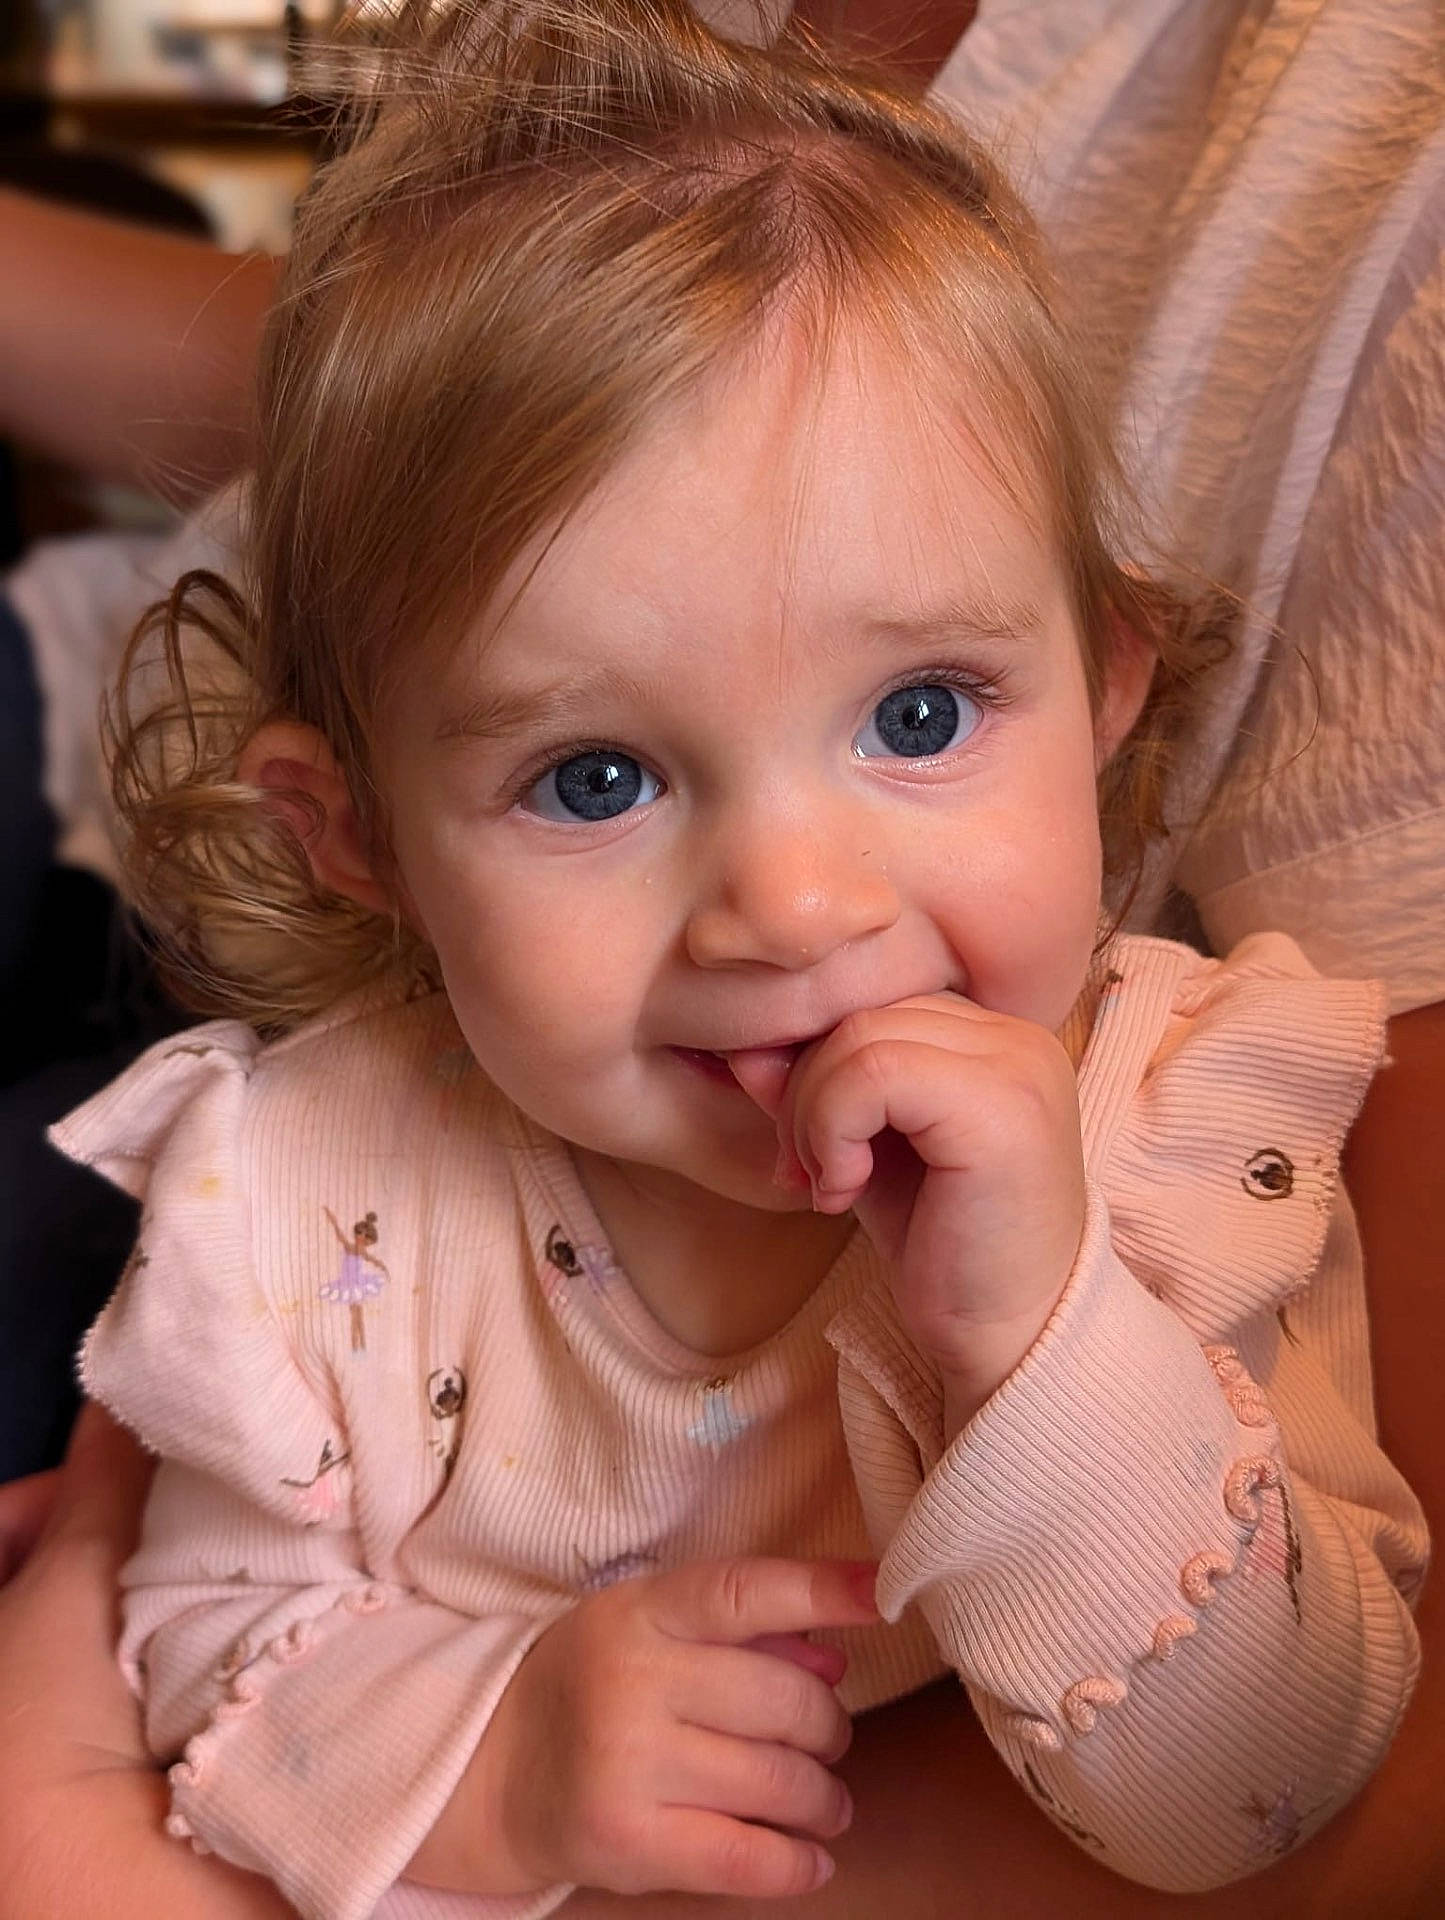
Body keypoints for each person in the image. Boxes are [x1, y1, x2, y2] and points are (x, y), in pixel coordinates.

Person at [15, 2, 1426, 1915]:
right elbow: (198, 1633)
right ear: (363, 847)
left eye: (920, 716)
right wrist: (500, 1756)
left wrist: (1047, 1345)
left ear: (1105, 685)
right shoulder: (319, 1194)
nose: (794, 905)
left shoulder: (1180, 1136)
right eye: (594, 775)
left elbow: (1268, 1794)